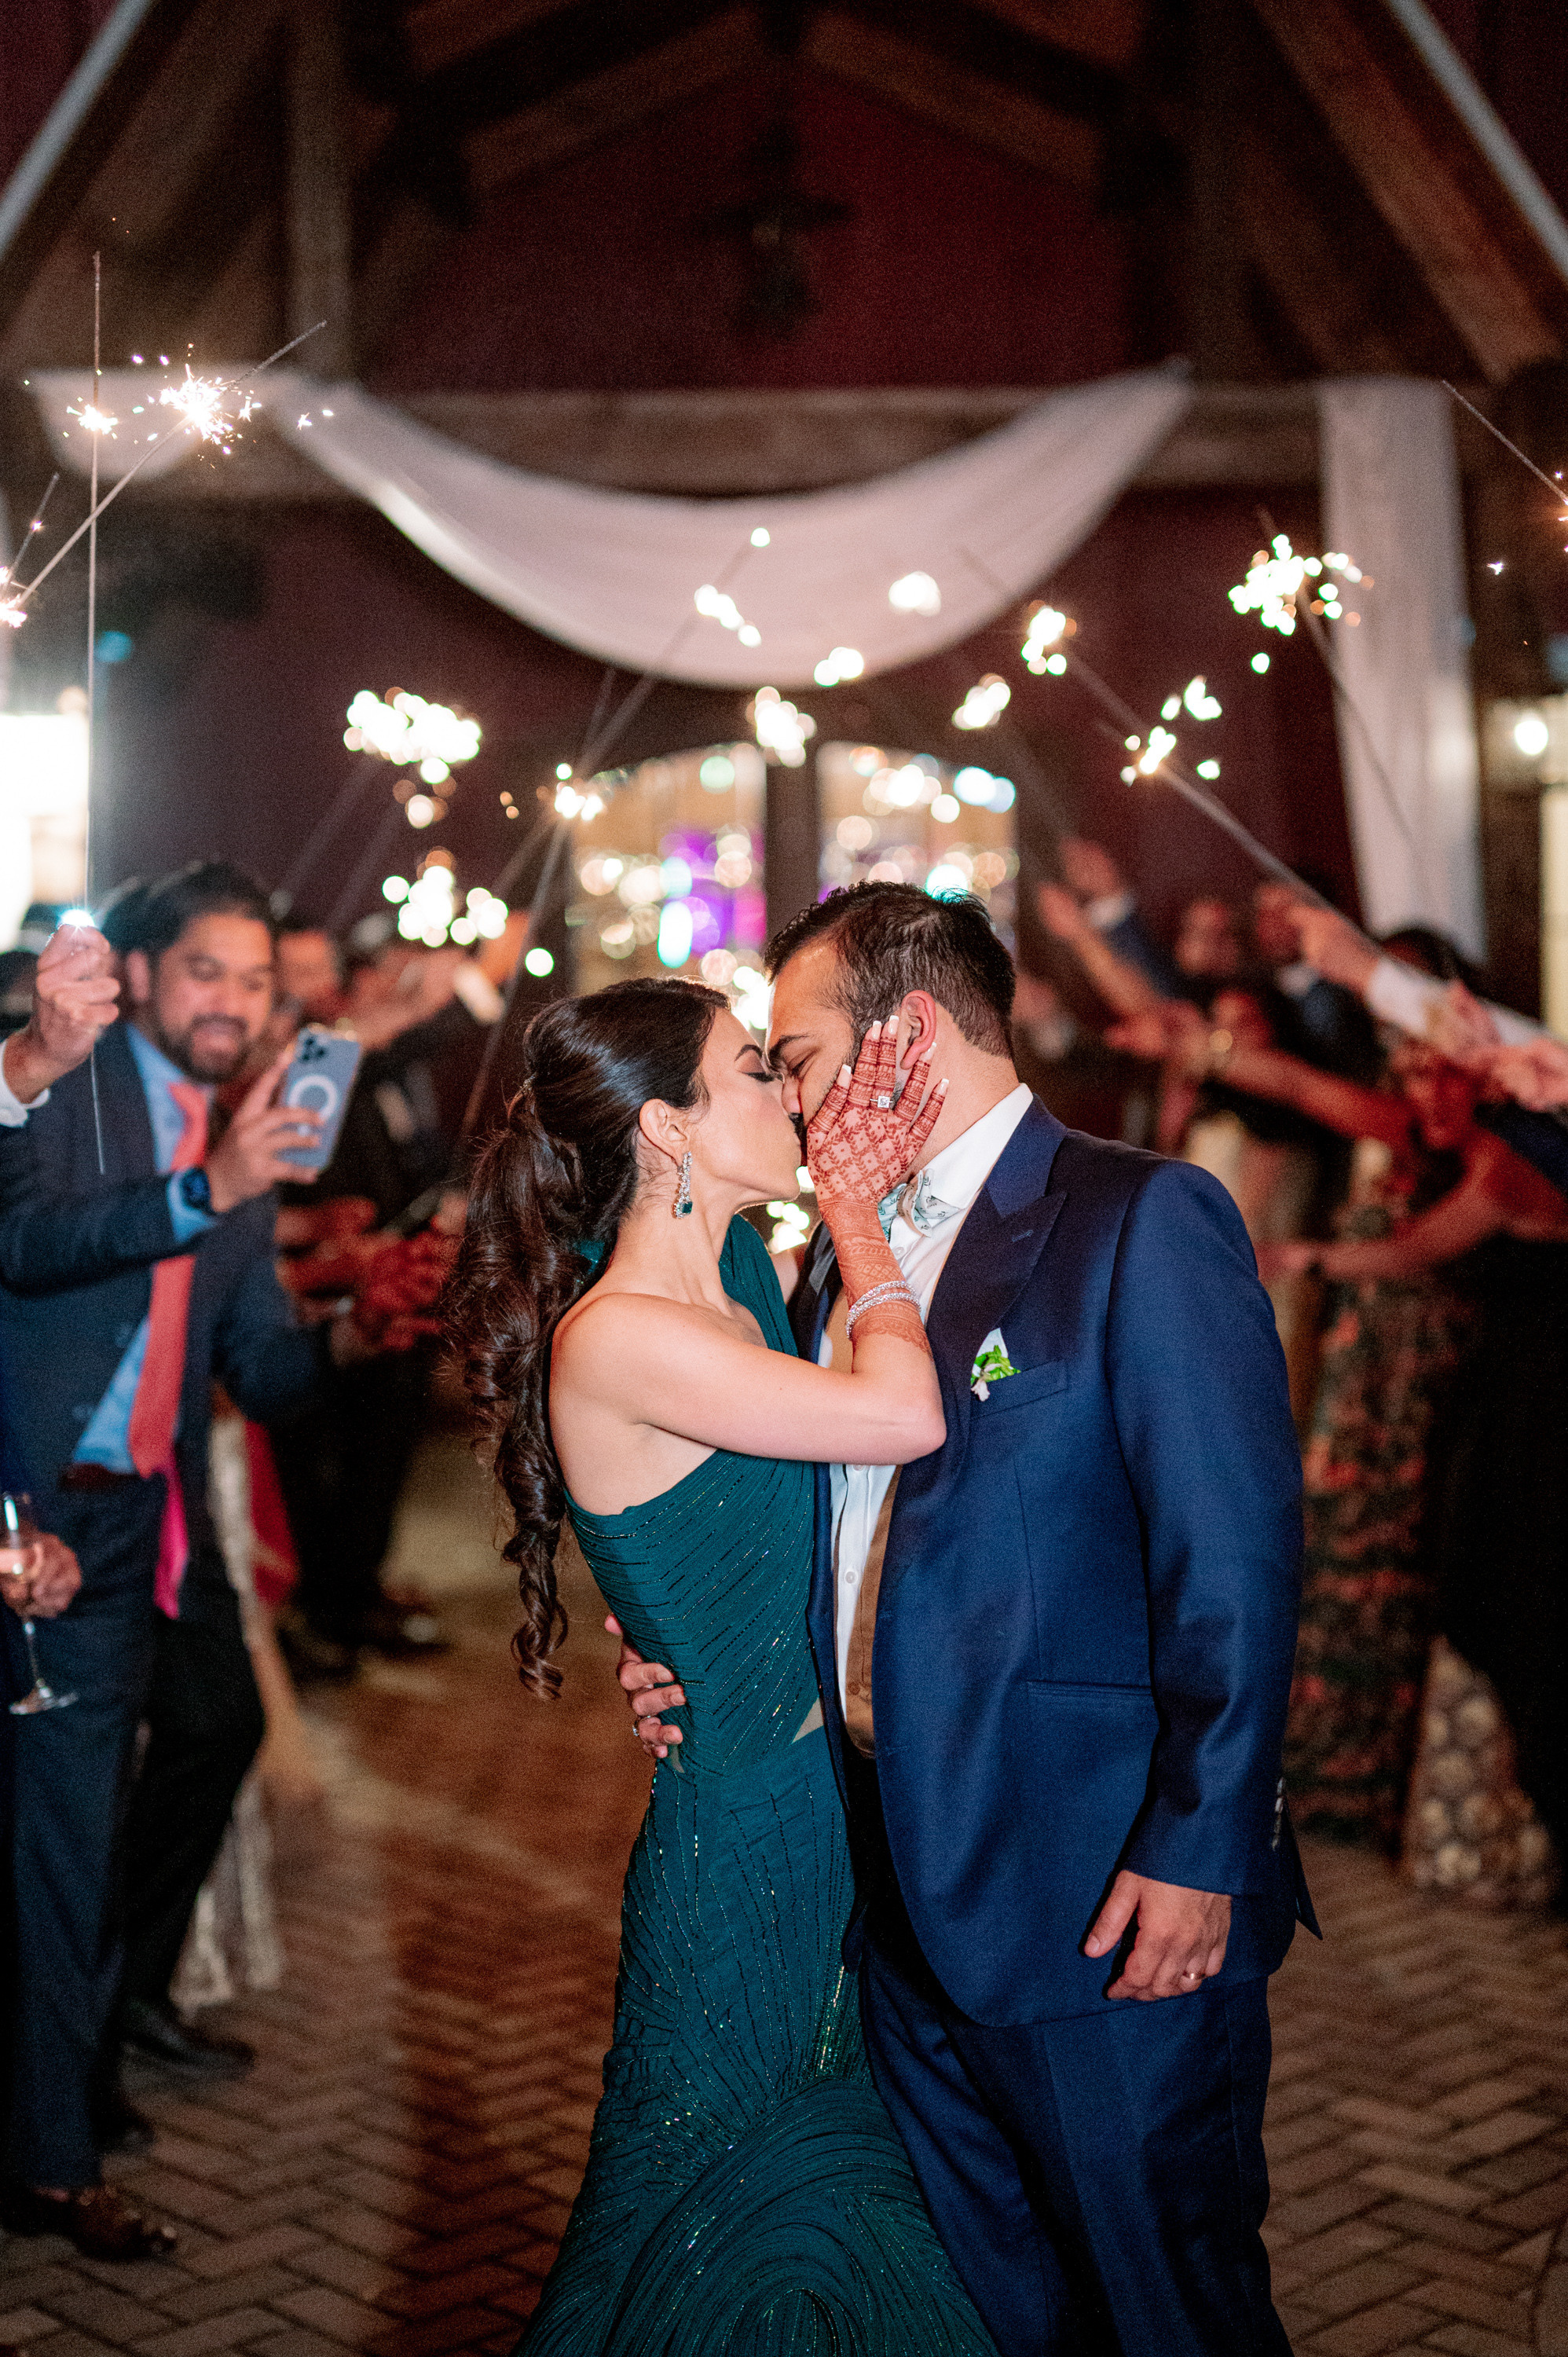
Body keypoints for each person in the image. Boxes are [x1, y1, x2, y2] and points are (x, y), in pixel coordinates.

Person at [606, 885, 1310, 2356]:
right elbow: (820, 1527)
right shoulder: (827, 1272)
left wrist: (1199, 1846)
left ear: (907, 1032)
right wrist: (690, 1646)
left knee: (1168, 2306)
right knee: (1003, 2313)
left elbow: (1233, 1567)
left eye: (794, 1056)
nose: (793, 1105)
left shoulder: (1136, 1216)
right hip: (892, 1893)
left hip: (1098, 1899)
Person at [446, 976, 992, 2352]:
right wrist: (859, 1213)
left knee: (848, 2206)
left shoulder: (750, 1279)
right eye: (756, 1068)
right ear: (668, 1130)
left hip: (831, 1823)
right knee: (692, 2222)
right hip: (738, 1853)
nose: (788, 1090)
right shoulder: (623, 1335)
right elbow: (905, 1416)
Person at [0, 863, 416, 2257]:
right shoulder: (72, 1088)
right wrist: (208, 1185)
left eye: (256, 979)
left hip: (124, 1535)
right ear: (139, 973)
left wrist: (370, 1327)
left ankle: (55, 2145)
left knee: (80, 1840)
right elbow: (31, 1246)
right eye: (206, 973)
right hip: (25, 1513)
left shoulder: (236, 1146)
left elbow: (259, 1372)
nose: (236, 1002)